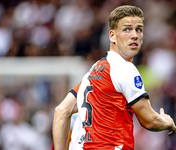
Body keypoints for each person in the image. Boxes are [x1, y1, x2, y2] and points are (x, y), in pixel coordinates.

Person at [52, 5, 176, 150]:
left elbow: (61, 111)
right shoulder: (124, 68)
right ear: (112, 36)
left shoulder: (93, 71)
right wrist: (168, 122)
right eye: (127, 29)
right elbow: (150, 121)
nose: (135, 35)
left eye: (139, 29)